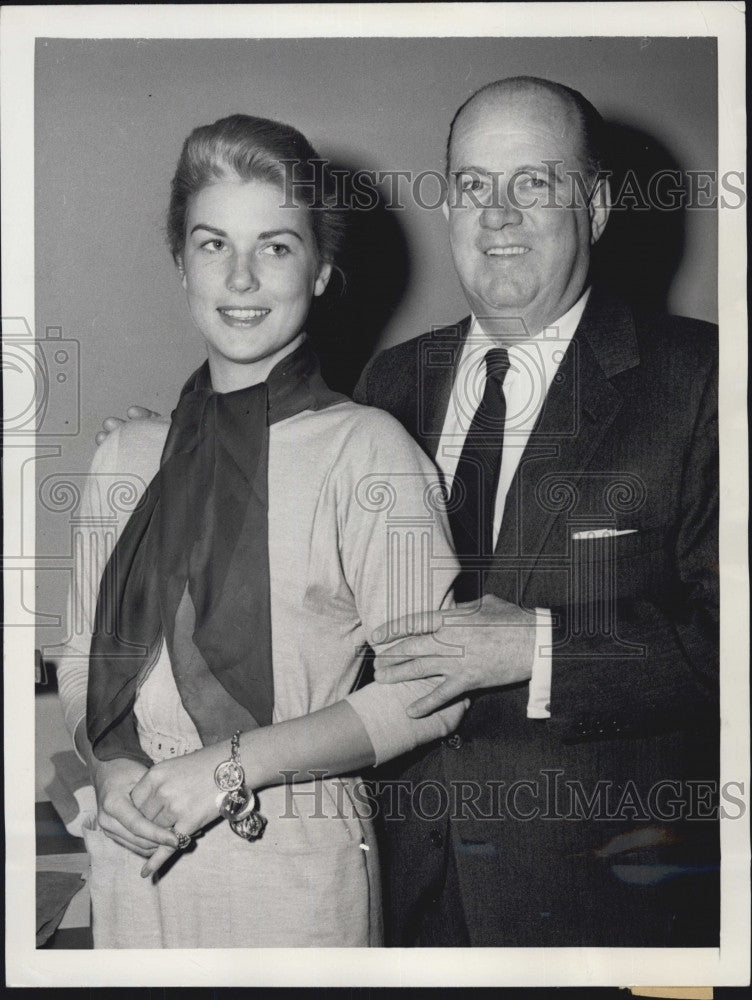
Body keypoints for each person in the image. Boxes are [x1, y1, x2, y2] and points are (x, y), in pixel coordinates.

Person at [98, 77, 720, 948]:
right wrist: (171, 450)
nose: (496, 215)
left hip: (598, 897)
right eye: (471, 185)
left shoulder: (702, 381)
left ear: (601, 205)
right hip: (401, 885)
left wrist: (539, 649)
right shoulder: (392, 384)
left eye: (533, 183)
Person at [56, 113, 468, 948]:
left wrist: (227, 769)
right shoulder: (127, 455)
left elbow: (429, 698)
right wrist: (110, 763)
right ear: (180, 263)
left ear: (320, 272)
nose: (241, 277)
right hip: (134, 857)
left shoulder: (369, 451)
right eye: (213, 245)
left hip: (292, 858)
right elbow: (79, 664)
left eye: (277, 246)